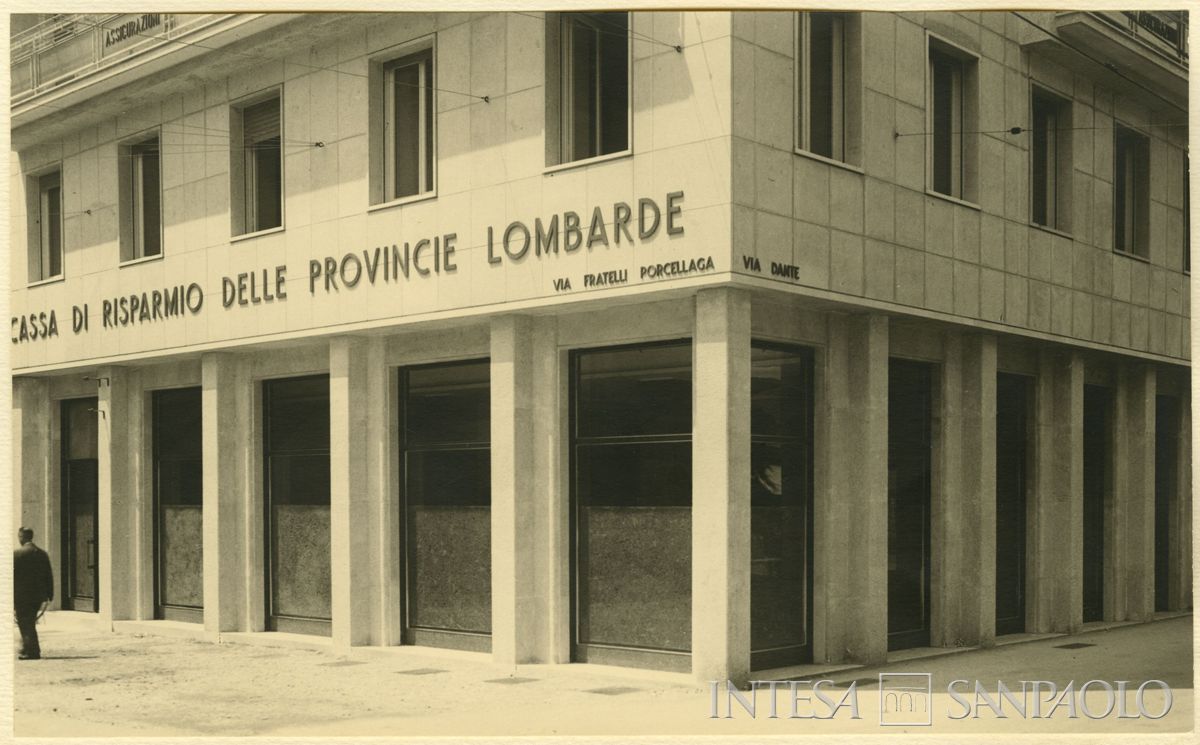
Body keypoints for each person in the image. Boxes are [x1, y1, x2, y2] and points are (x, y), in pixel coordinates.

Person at [13, 527, 54, 660]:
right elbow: (49, 575)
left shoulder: (17, 554)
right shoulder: (42, 553)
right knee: (29, 621)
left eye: (19, 536)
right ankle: (28, 648)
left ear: (22, 537)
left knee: (25, 623)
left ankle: (32, 652)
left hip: (21, 596)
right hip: (38, 596)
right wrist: (49, 594)